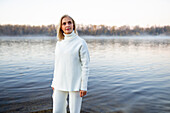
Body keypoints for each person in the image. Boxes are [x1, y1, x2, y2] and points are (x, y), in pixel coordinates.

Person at [51, 14, 90, 113]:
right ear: (61, 27)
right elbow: (57, 64)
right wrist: (54, 82)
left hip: (75, 84)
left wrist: (83, 86)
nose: (67, 25)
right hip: (59, 82)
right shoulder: (59, 43)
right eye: (64, 23)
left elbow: (85, 66)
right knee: (57, 111)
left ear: (73, 25)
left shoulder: (81, 42)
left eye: (69, 22)